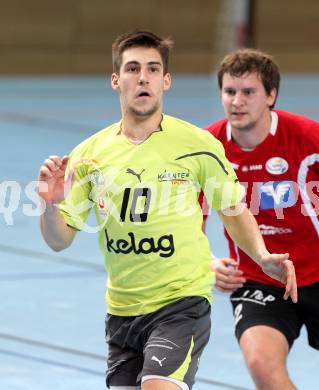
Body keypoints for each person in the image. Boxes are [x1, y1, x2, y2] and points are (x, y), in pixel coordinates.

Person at [37, 32, 296, 390]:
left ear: (165, 80)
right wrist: (51, 204)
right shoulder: (87, 155)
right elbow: (58, 240)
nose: (142, 77)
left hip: (181, 303)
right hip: (122, 311)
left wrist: (262, 254)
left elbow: (233, 209)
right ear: (116, 80)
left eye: (152, 69)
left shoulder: (198, 145)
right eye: (132, 68)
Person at [205, 48, 319, 390]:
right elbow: (185, 219)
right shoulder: (206, 148)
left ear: (271, 95)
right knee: (261, 365)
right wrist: (206, 263)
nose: (237, 101)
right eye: (229, 92)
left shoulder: (307, 137)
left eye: (248, 92)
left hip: (318, 271)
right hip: (258, 278)